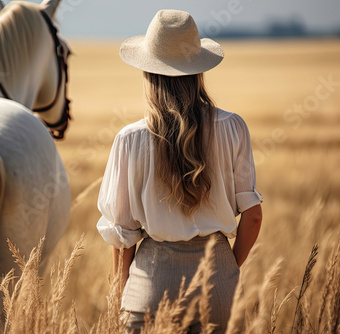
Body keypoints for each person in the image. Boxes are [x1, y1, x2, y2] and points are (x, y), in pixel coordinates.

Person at [96, 9, 263, 333]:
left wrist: (119, 295)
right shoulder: (233, 127)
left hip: (152, 287)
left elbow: (122, 236)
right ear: (198, 70)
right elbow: (253, 216)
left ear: (149, 73)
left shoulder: (129, 140)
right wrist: (225, 270)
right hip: (219, 286)